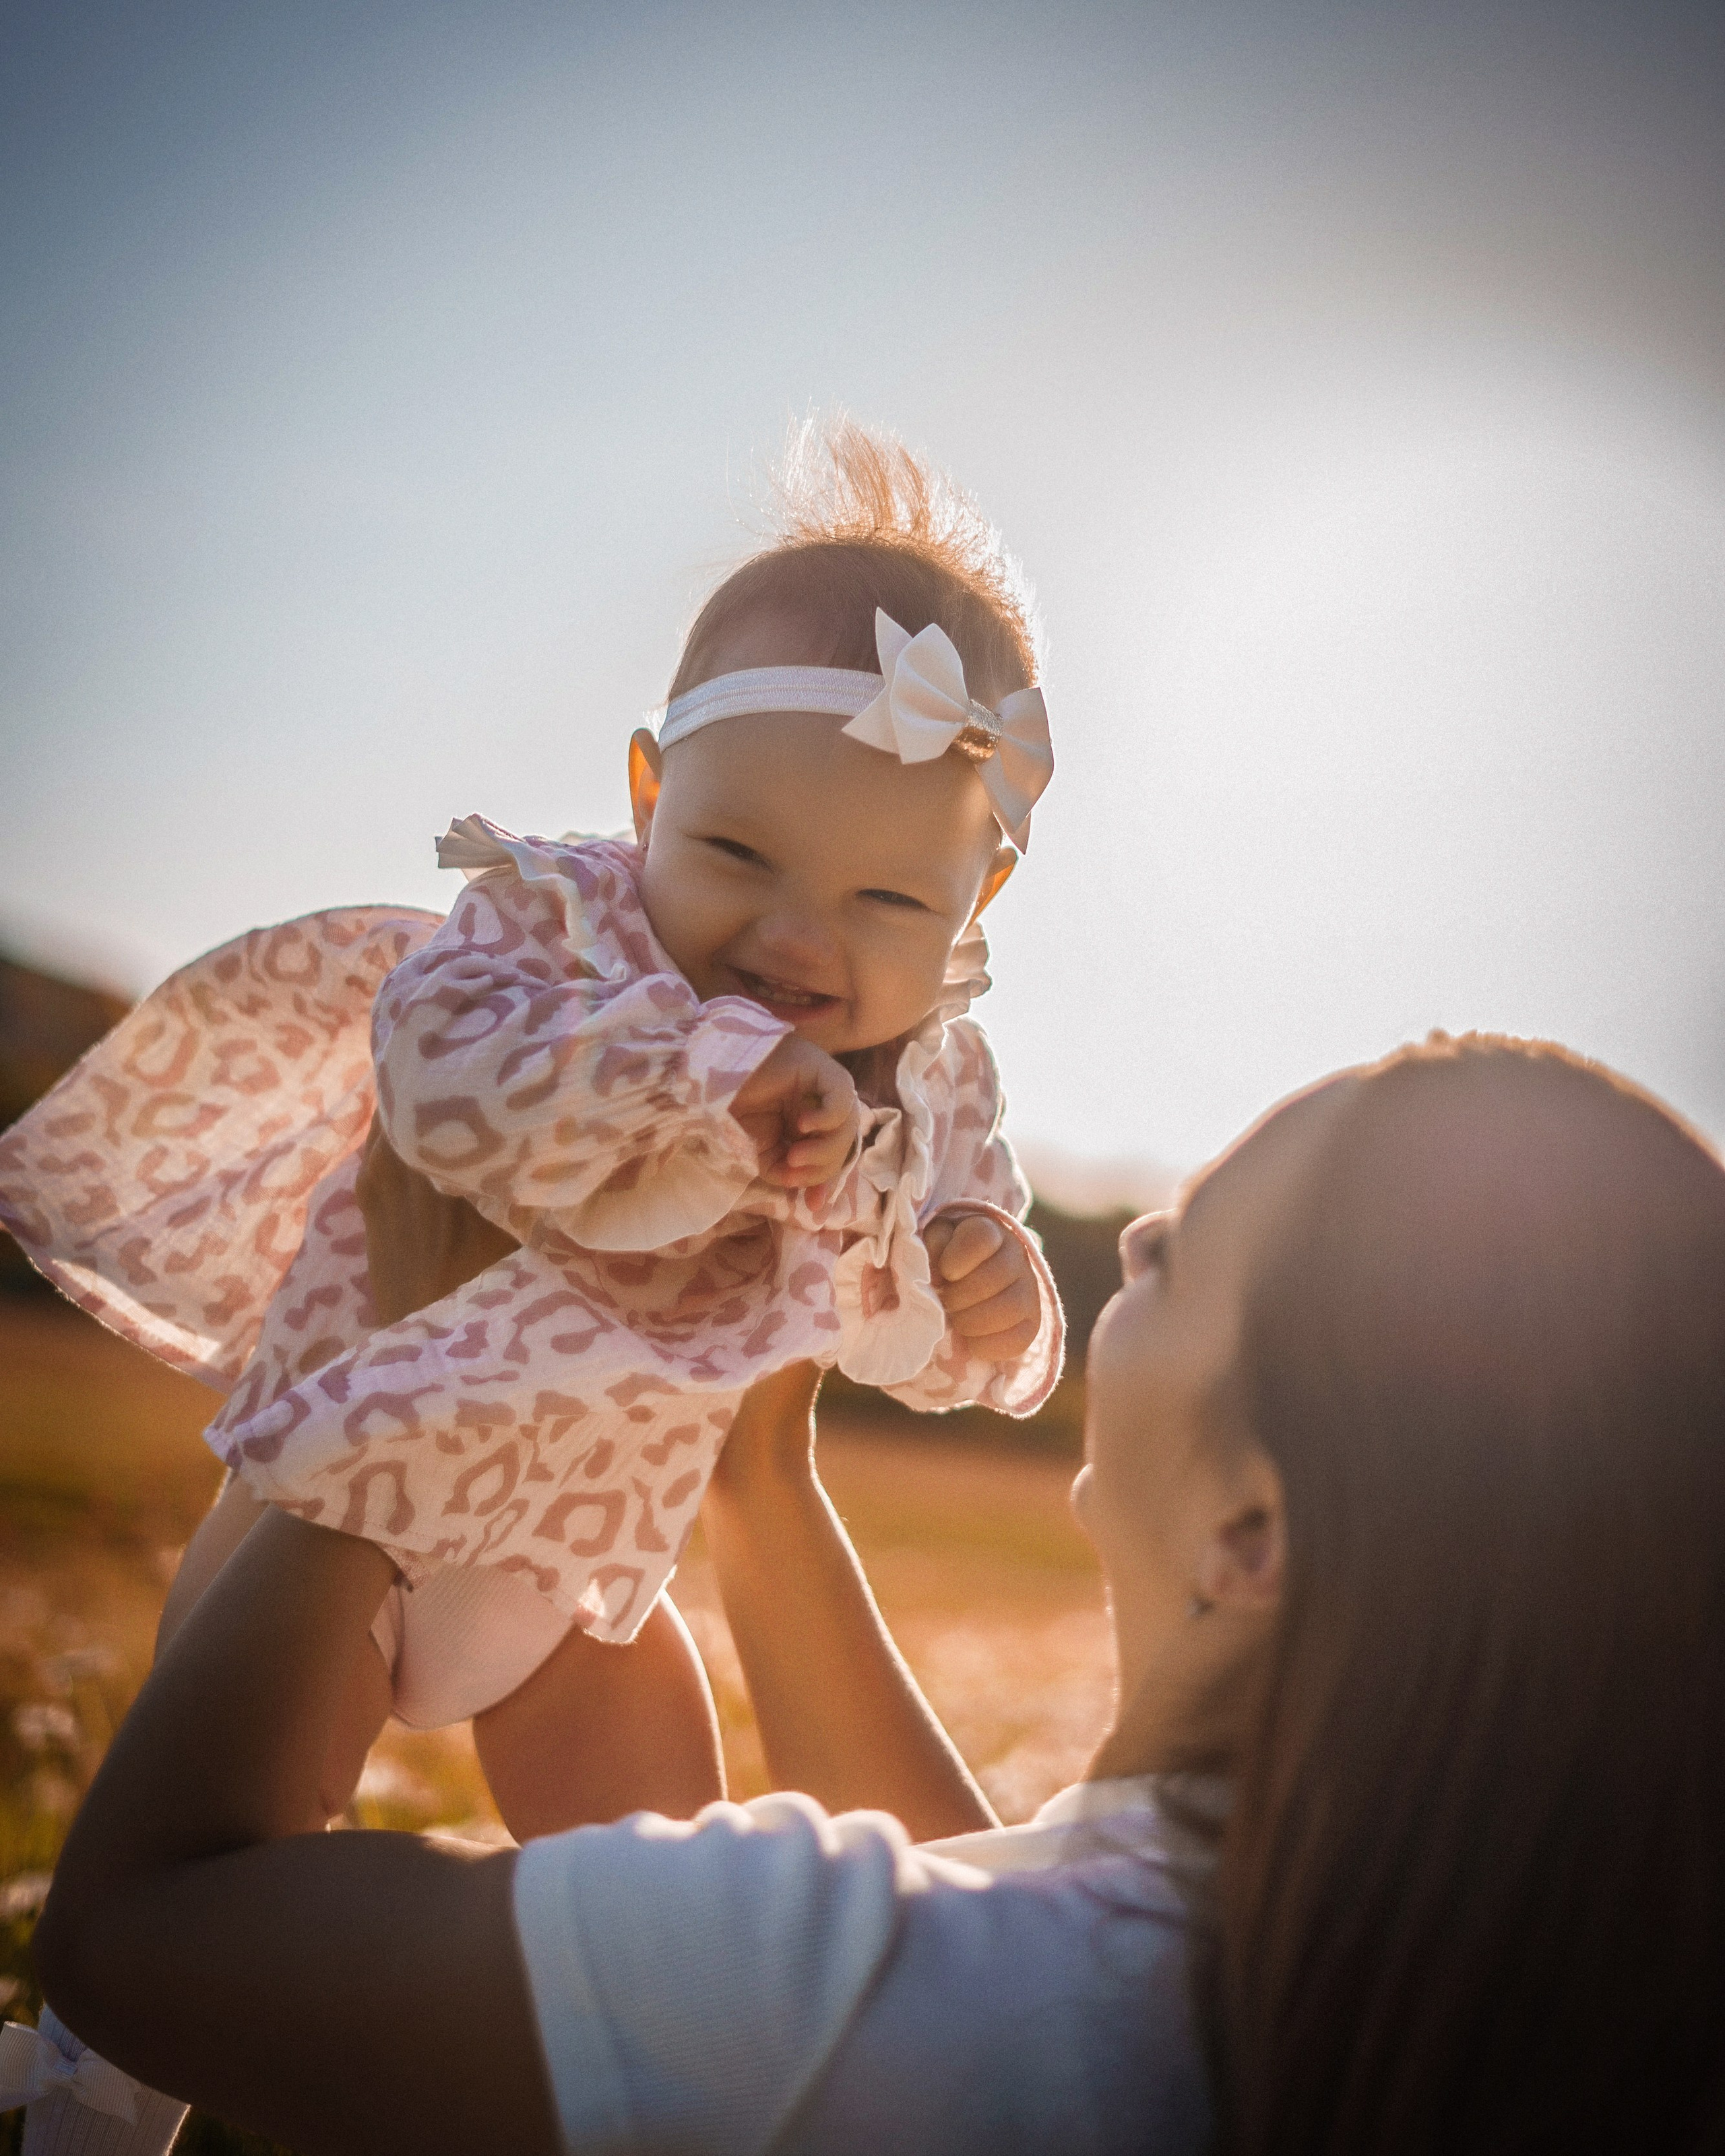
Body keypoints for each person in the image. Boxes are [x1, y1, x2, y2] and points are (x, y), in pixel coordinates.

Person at [12, 1031, 1724, 2153]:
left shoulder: (814, 1989)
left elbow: (146, 1936)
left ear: (1254, 1535)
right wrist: (763, 1482)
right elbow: (990, 1895)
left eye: (1172, 1255)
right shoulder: (1404, 1993)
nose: (1117, 1252)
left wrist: (425, 1373)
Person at [0, 420, 1064, 1851]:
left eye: (885, 901)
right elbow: (439, 1075)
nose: (794, 938)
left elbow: (918, 1336)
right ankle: (90, 2083)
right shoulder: (561, 922)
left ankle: (641, 2054)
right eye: (738, 855)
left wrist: (984, 1284)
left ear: (974, 899)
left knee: (647, 1877)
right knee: (215, 1847)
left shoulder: (932, 1083)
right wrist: (705, 1070)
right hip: (340, 1497)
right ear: (647, 794)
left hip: (574, 1580)